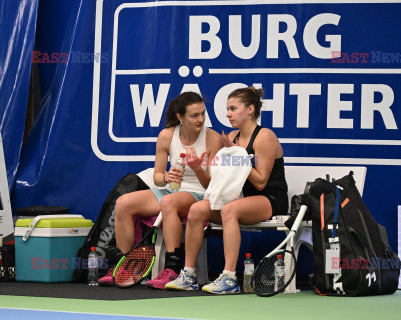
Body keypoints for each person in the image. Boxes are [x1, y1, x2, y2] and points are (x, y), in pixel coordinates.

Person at [165, 87, 288, 294]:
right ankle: (188, 274)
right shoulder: (232, 136)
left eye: (233, 108)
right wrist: (197, 167)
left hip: (268, 199)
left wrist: (237, 154)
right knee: (196, 210)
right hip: (239, 199)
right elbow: (215, 185)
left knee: (229, 210)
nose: (228, 114)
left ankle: (229, 278)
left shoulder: (265, 136)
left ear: (250, 109)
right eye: (227, 109)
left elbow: (260, 182)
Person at [98, 92, 223, 288]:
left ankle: (172, 269)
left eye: (202, 113)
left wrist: (198, 168)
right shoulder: (167, 135)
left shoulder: (213, 138)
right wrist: (166, 177)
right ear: (180, 117)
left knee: (168, 202)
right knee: (124, 203)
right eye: (194, 115)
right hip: (172, 191)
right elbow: (157, 176)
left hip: (201, 194)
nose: (201, 119)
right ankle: (124, 266)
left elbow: (213, 186)